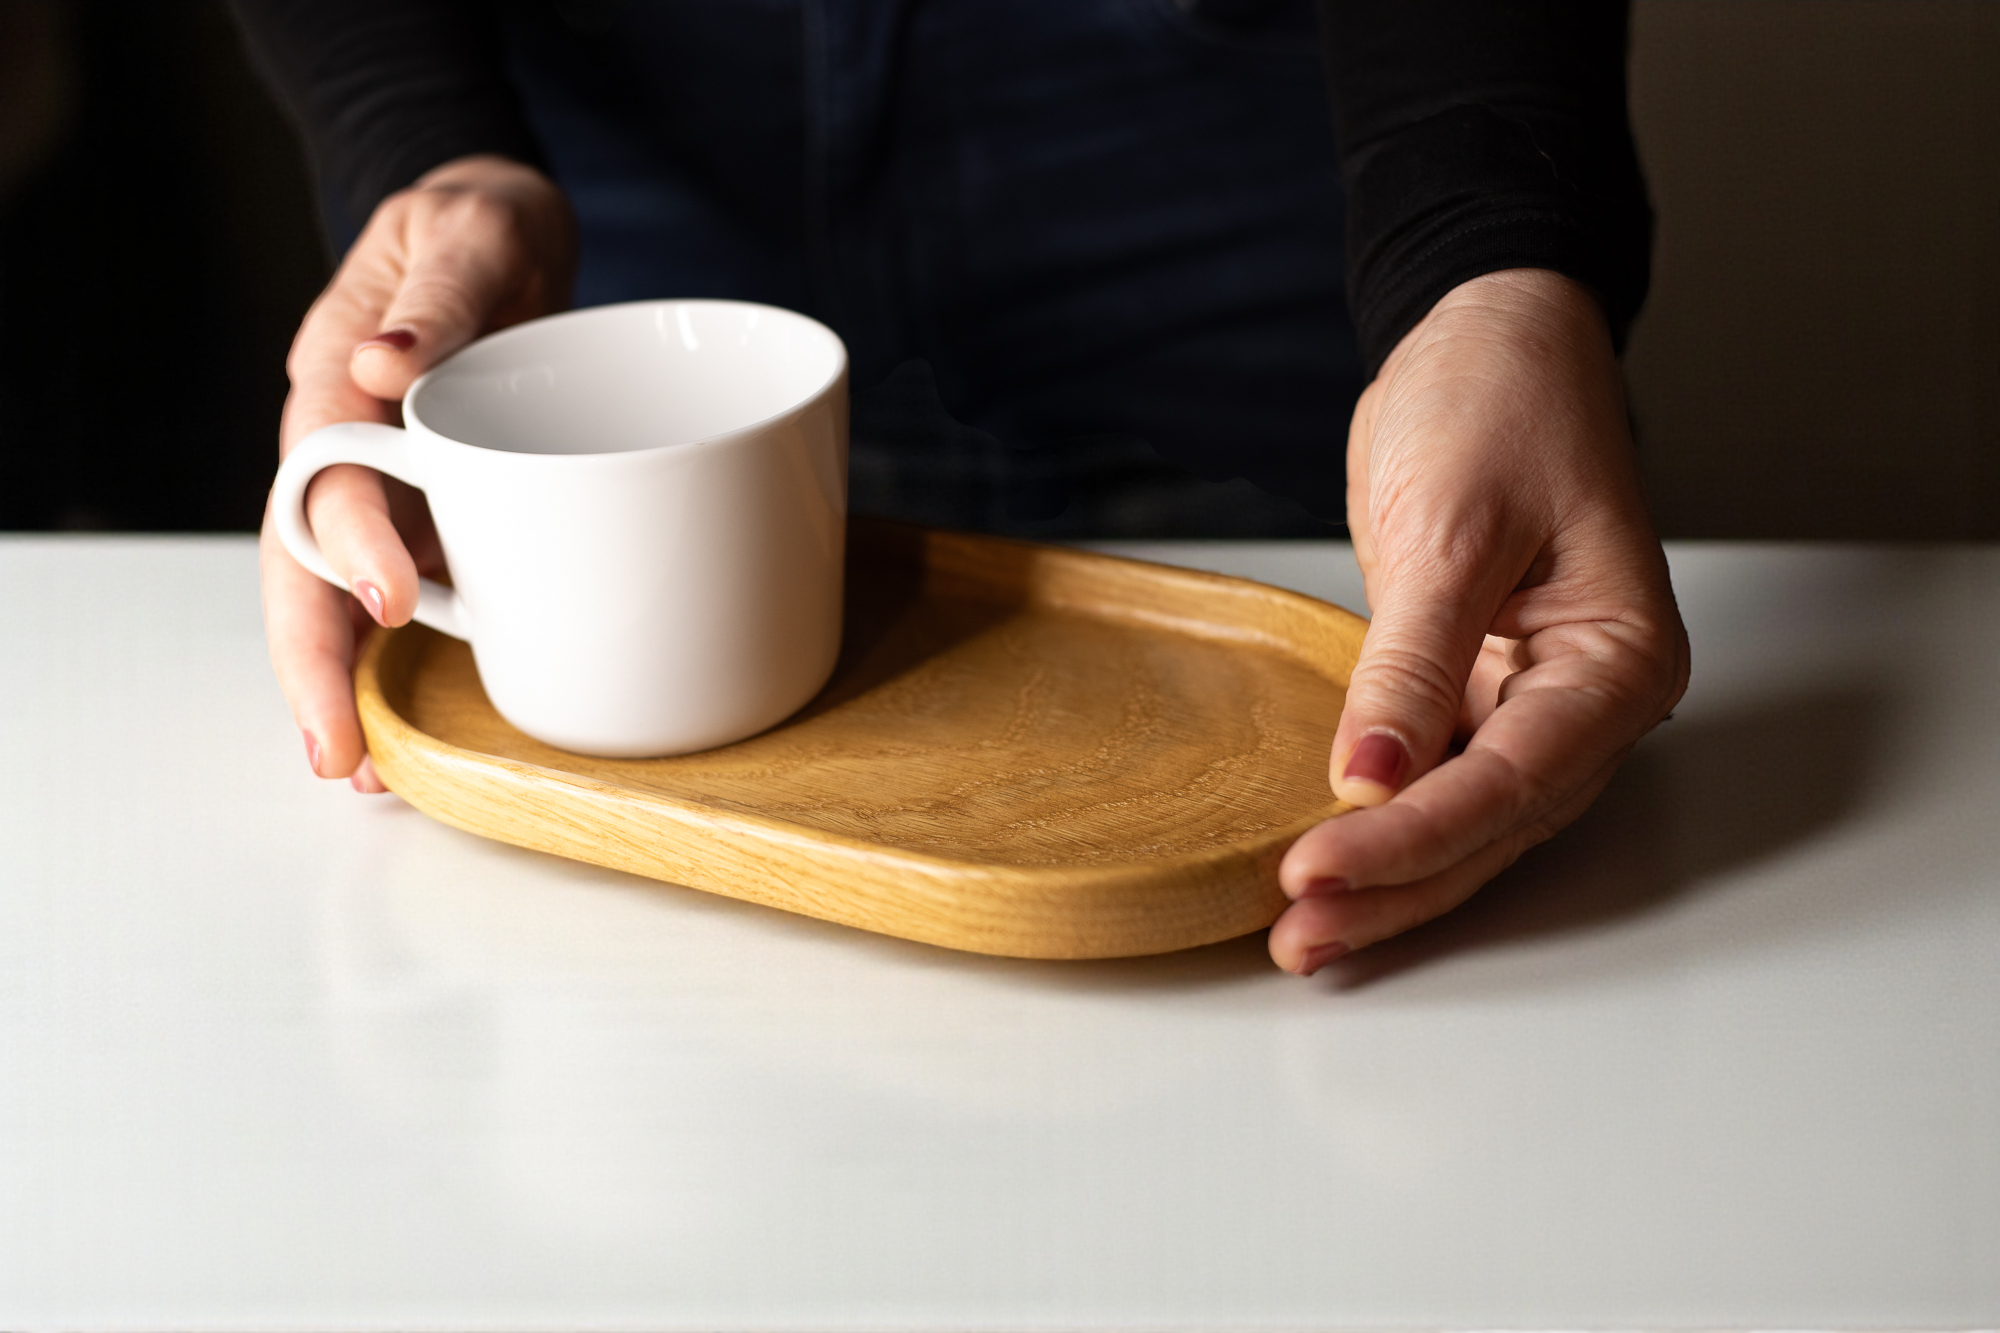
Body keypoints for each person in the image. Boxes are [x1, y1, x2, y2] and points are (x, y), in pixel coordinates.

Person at [233, 0, 1689, 975]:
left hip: (1259, 200)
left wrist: (1480, 268)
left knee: (1418, 681)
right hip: (605, 179)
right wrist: (420, 141)